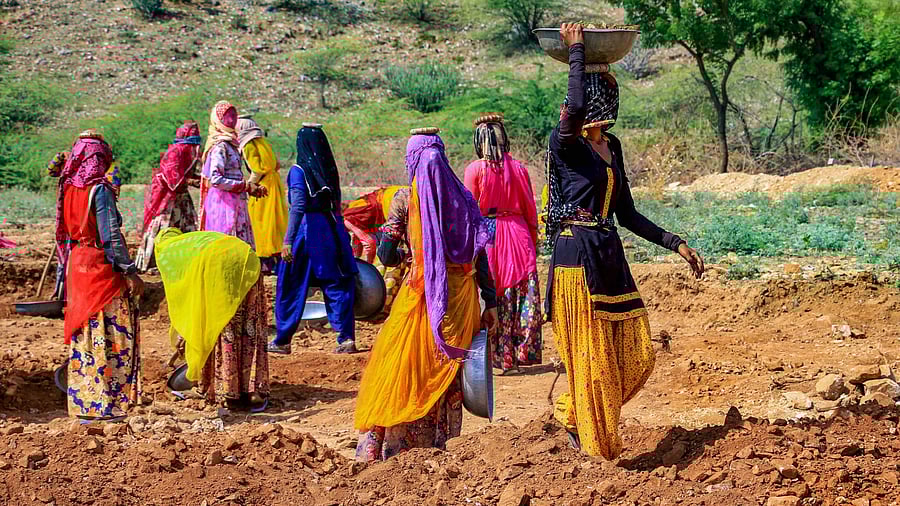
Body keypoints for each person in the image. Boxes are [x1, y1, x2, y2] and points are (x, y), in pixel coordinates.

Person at [546, 23, 705, 460]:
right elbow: (574, 103)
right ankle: (594, 448)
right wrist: (577, 52)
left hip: (609, 258)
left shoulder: (611, 146)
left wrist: (675, 243)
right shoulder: (566, 144)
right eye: (604, 86)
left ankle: (573, 414)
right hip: (577, 260)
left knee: (636, 355)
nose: (611, 93)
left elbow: (628, 213)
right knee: (593, 360)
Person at [354, 128, 498, 462]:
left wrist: (409, 253)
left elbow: (386, 254)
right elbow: (481, 252)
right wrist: (490, 300)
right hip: (460, 301)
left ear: (412, 159)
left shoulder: (406, 199)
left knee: (403, 365)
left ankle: (393, 447)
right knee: (445, 369)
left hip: (420, 298)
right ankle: (438, 445)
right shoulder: (463, 198)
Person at [49, 129, 144, 420]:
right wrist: (130, 271)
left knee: (86, 334)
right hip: (100, 270)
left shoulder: (68, 187)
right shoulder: (98, 189)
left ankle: (85, 401)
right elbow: (110, 236)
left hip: (77, 265)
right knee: (110, 334)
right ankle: (107, 403)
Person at [155, 228, 269, 411]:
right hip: (248, 259)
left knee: (223, 326)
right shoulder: (194, 242)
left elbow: (193, 312)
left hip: (222, 266)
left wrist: (186, 340)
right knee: (249, 324)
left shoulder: (181, 260)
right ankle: (252, 390)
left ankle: (228, 390)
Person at [463, 114, 543, 374]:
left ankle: (500, 357)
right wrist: (534, 239)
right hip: (519, 233)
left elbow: (469, 211)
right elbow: (531, 209)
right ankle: (520, 354)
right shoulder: (519, 168)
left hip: (490, 236)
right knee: (521, 293)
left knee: (495, 293)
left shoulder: (475, 170)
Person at [271, 124, 358, 355]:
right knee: (336, 283)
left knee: (290, 283)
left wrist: (288, 240)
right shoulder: (328, 169)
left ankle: (282, 340)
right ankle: (346, 338)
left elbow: (298, 206)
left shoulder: (299, 171)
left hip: (306, 232)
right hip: (330, 229)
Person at [135, 120, 202, 272]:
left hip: (180, 195)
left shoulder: (188, 152)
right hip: (166, 196)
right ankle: (153, 262)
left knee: (185, 226)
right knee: (163, 227)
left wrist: (201, 179)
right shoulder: (176, 152)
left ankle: (184, 260)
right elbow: (172, 177)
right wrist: (193, 181)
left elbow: (186, 174)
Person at [199, 100, 266, 244]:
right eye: (228, 116)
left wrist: (249, 188)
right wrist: (245, 186)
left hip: (236, 201)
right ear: (218, 121)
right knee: (228, 245)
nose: (232, 119)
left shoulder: (231, 144)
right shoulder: (220, 147)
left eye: (234, 115)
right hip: (223, 205)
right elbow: (216, 179)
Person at [343, 185, 407, 320]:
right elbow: (360, 244)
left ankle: (384, 306)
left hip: (396, 205)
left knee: (391, 260)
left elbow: (368, 243)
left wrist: (367, 271)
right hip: (400, 199)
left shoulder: (349, 217)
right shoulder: (356, 212)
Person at [236, 115, 288, 273]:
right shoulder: (263, 143)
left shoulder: (248, 146)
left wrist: (250, 185)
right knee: (275, 220)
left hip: (263, 187)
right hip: (274, 183)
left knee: (260, 220)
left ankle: (265, 261)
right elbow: (277, 164)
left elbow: (257, 170)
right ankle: (280, 260)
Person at [342, 186, 403, 264]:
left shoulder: (347, 220)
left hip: (391, 202)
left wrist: (369, 266)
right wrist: (357, 259)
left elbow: (369, 244)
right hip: (393, 193)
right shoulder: (353, 209)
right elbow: (357, 239)